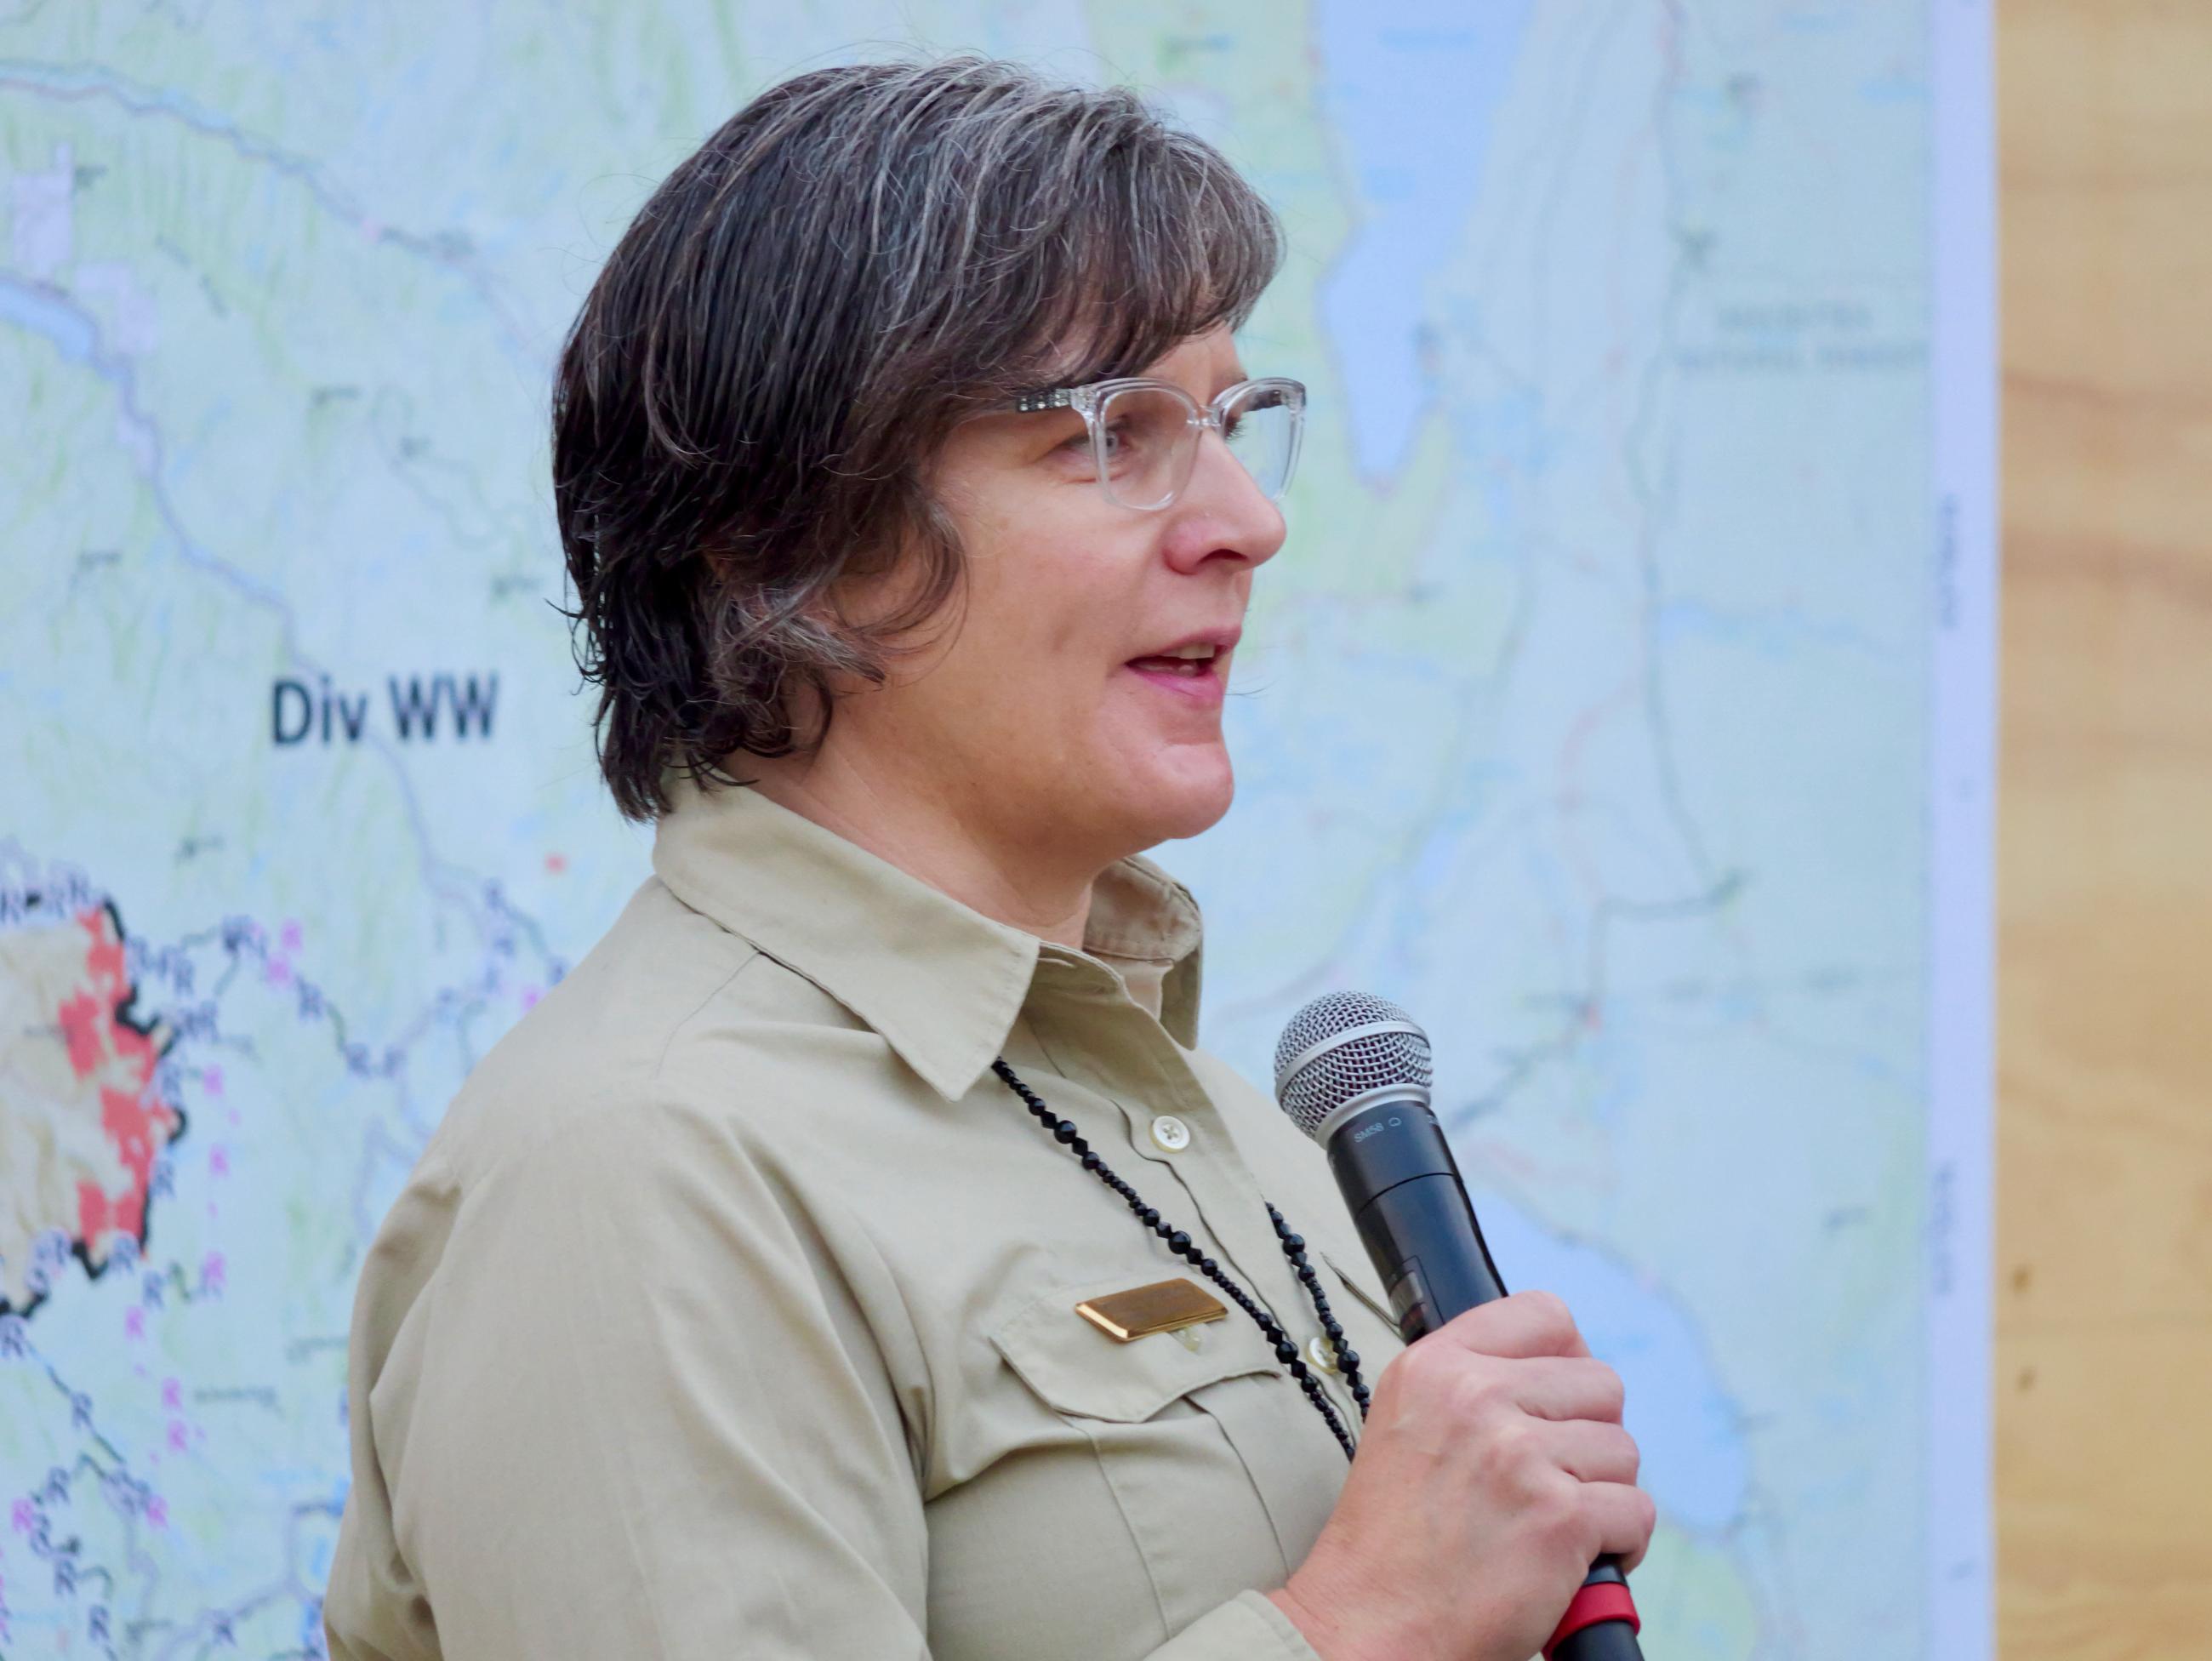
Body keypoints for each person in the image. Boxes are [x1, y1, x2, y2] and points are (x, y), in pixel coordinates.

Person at [323, 56, 1653, 1661]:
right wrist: (1353, 1623)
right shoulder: (642, 1173)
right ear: (781, 533)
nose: (1247, 519)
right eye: (1115, 432)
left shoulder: (1206, 1118)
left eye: (1235, 421)